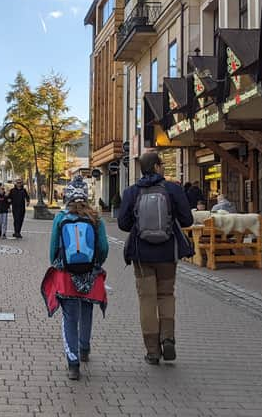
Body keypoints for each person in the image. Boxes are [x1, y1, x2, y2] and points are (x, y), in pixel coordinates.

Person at [118, 152, 193, 365]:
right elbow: (187, 219)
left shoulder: (132, 192)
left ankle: (152, 350)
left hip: (142, 255)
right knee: (166, 295)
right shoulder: (173, 189)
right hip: (168, 253)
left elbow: (123, 224)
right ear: (158, 166)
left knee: (147, 300)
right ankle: (167, 337)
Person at [43, 180, 109, 380]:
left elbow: (53, 248)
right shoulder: (96, 218)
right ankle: (84, 348)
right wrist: (95, 264)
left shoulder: (61, 218)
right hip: (90, 274)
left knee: (70, 317)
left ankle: (73, 364)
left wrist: (58, 263)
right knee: (87, 310)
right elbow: (104, 248)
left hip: (66, 275)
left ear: (67, 196)